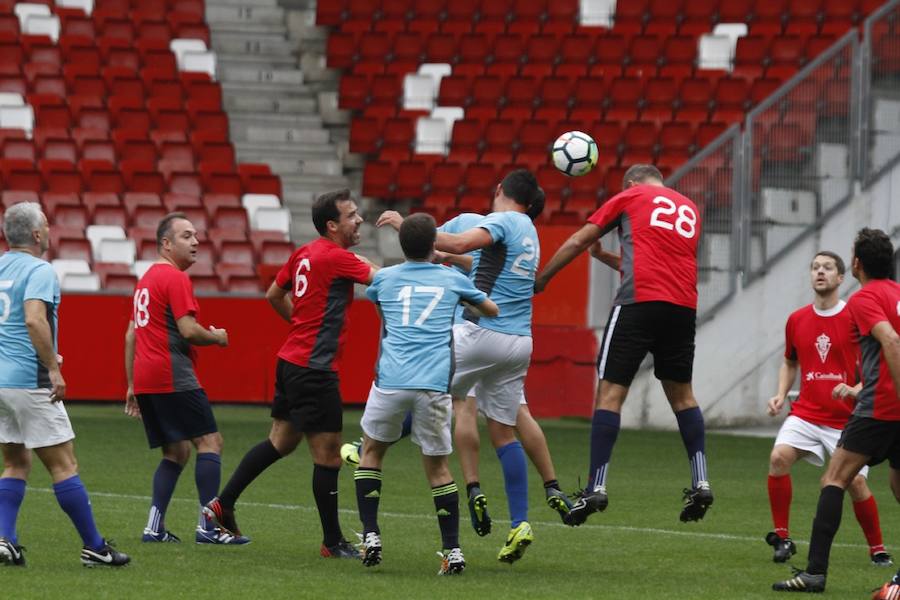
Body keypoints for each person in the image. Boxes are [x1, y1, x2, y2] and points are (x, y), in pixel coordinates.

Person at [364, 209, 572, 535]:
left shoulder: (487, 225)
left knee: (452, 398)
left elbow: (458, 249)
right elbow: (474, 266)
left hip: (474, 334)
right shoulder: (523, 235)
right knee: (511, 421)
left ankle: (471, 485)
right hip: (518, 339)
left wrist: (416, 236)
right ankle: (538, 501)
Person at [378, 168, 545, 563]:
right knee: (504, 432)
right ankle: (520, 521)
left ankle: (372, 441)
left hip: (482, 331)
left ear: (500, 189)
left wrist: (410, 229)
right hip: (519, 341)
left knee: (421, 377)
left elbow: (460, 239)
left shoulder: (502, 219)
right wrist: (447, 257)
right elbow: (472, 258)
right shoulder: (530, 231)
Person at [534, 164, 712, 526]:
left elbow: (579, 239)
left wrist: (545, 277)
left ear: (631, 183)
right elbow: (657, 264)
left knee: (610, 394)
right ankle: (701, 480)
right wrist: (605, 258)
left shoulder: (630, 196)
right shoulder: (689, 208)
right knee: (683, 396)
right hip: (681, 307)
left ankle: (596, 486)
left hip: (638, 303)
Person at [204, 189, 376, 558]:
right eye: (351, 215)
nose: (359, 219)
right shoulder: (338, 258)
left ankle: (222, 505)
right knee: (328, 456)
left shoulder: (306, 253)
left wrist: (300, 324)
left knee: (281, 442)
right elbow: (384, 280)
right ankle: (332, 542)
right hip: (314, 369)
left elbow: (273, 294)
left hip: (291, 361)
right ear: (332, 225)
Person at [354, 213, 498, 574]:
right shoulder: (451, 279)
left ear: (402, 245)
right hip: (433, 384)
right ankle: (453, 551)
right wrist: (464, 299)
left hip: (390, 380)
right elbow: (491, 309)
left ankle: (371, 535)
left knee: (371, 452)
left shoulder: (385, 279)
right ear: (435, 244)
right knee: (437, 468)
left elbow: (377, 297)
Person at [0, 201, 129, 567]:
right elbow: (34, 320)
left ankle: (5, 540)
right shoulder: (39, 270)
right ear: (37, 234)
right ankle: (96, 548)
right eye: (46, 224)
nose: (50, 230)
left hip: (1, 382)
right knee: (64, 463)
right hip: (30, 381)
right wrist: (53, 369)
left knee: (14, 462)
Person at [774, 228, 900, 594]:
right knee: (896, 486)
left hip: (879, 409)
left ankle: (814, 573)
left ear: (856, 264)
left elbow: (891, 341)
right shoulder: (897, 294)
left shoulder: (864, 299)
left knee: (835, 479)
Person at [124, 212, 242, 545]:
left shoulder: (145, 279)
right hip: (171, 373)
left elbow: (131, 334)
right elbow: (189, 330)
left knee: (175, 452)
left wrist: (132, 384)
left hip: (147, 376)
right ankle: (209, 527)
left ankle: (154, 527)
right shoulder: (174, 278)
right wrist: (217, 337)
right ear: (166, 243)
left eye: (196, 236)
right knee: (210, 443)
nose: (196, 242)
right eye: (187, 236)